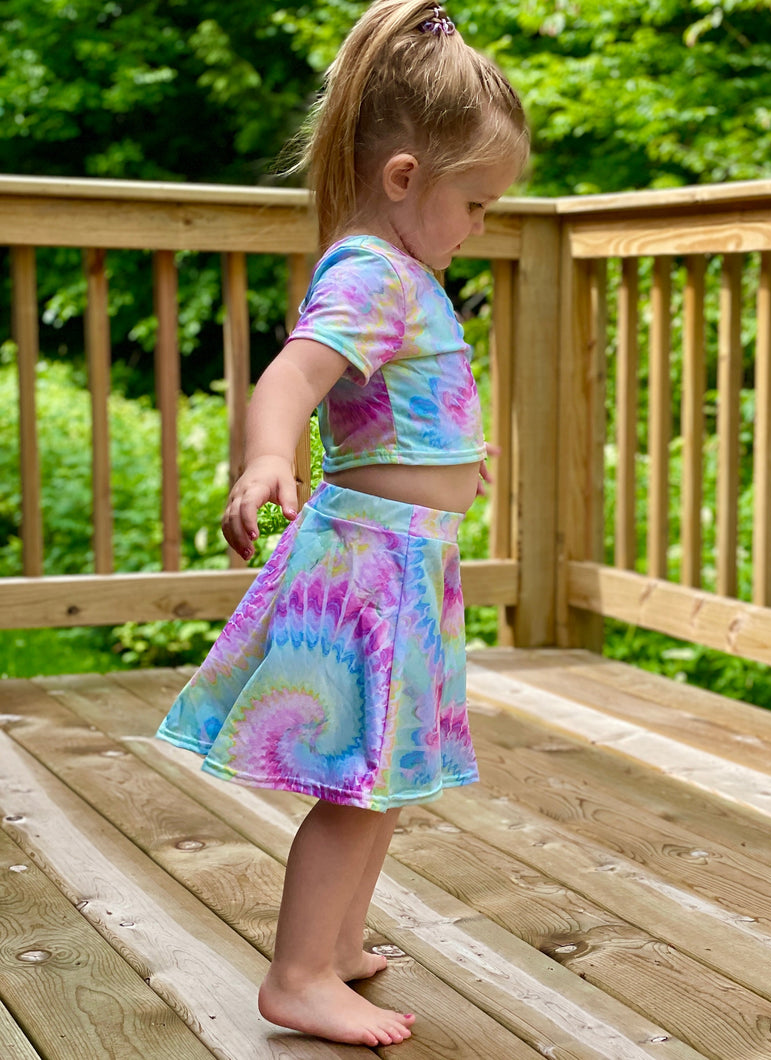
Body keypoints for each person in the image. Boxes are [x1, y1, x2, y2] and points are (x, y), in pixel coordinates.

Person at [155, 0, 528, 1046]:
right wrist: (269, 455)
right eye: (476, 202)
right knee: (357, 783)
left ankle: (340, 942)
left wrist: (457, 461)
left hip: (408, 559)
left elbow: (392, 410)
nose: (483, 226)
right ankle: (299, 972)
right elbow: (293, 376)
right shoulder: (372, 271)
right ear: (405, 178)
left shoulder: (401, 273)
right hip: (370, 564)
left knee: (383, 774)